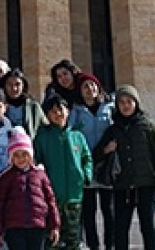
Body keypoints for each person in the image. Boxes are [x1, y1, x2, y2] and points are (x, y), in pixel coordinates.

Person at [95, 85, 155, 250]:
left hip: (146, 184)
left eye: (129, 101)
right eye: (121, 102)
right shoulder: (113, 129)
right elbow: (96, 155)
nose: (125, 105)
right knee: (121, 228)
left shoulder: (147, 126)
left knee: (147, 226)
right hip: (123, 185)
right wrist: (107, 150)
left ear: (136, 103)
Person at [35, 95, 92, 250]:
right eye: (53, 111)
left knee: (73, 238)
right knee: (54, 238)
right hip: (53, 197)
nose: (58, 113)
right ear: (47, 115)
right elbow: (37, 161)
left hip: (74, 195)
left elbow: (87, 158)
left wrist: (86, 175)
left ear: (68, 111)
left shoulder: (77, 136)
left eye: (61, 109)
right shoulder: (43, 137)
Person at [0, 127, 61, 250]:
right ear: (11, 158)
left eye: (24, 154)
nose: (21, 159)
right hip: (14, 227)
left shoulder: (40, 174)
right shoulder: (6, 177)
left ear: (30, 155)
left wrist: (54, 226)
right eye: (16, 155)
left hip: (37, 226)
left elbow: (50, 200)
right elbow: (0, 205)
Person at [68, 74, 114, 250]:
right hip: (86, 165)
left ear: (98, 88)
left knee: (108, 211)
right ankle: (93, 246)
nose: (89, 90)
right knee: (88, 212)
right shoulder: (77, 111)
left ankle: (110, 246)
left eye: (92, 86)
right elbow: (71, 133)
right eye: (85, 87)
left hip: (105, 164)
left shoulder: (109, 108)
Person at [1, 68, 48, 140]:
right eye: (9, 84)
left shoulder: (33, 106)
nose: (14, 88)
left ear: (23, 86)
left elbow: (45, 128)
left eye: (17, 84)